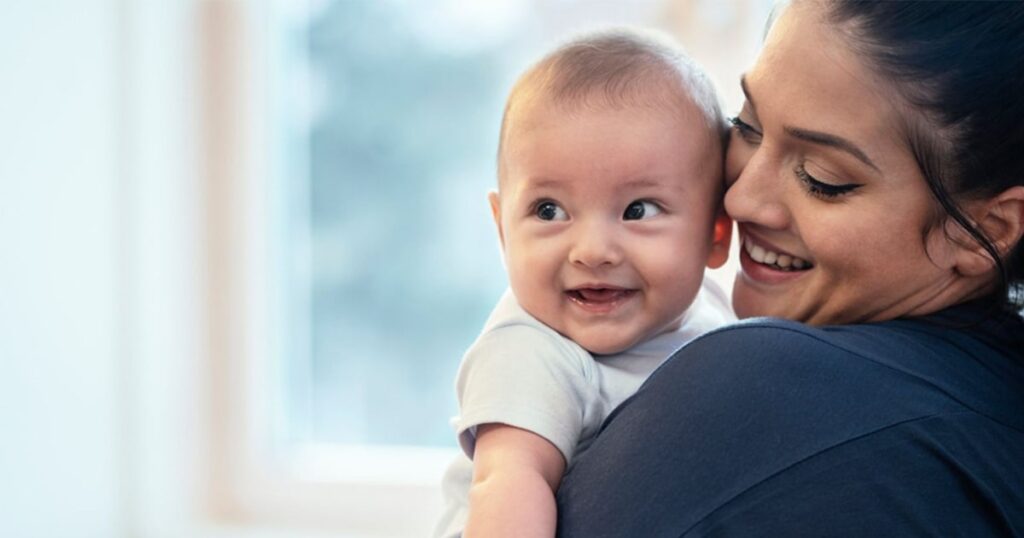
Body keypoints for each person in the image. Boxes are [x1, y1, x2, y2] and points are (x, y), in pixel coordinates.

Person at [555, 1, 1024, 535]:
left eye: (823, 178)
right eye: (747, 126)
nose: (741, 198)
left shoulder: (761, 394)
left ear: (987, 228)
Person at [433, 29, 735, 538]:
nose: (592, 250)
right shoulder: (531, 352)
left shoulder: (708, 311)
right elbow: (508, 484)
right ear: (503, 229)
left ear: (715, 233)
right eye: (549, 211)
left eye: (638, 210)